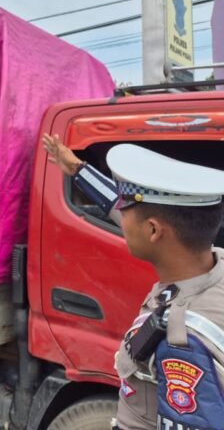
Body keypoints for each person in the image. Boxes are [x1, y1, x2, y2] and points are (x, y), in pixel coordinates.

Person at [42, 134, 224, 430]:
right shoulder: (213, 267)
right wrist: (78, 170)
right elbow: (122, 207)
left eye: (127, 211)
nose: (121, 215)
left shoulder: (183, 342)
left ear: (153, 230)